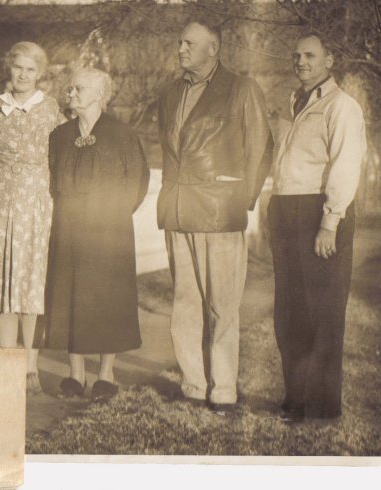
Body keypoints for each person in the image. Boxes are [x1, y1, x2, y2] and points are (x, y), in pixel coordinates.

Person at [156, 20, 272, 413]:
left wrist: (239, 196)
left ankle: (223, 388)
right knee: (185, 302)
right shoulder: (170, 93)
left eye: (189, 43)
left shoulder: (241, 89)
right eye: (180, 42)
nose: (181, 49)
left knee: (223, 306)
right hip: (178, 210)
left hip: (220, 211)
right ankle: (193, 383)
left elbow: (260, 148)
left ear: (214, 49)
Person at [268, 33, 366, 423]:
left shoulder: (342, 107)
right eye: (296, 55)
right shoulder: (294, 103)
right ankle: (295, 398)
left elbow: (345, 165)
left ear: (329, 60)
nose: (301, 62)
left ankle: (321, 407)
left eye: (310, 55)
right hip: (286, 210)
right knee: (289, 312)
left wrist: (330, 223)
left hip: (320, 211)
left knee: (321, 313)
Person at [44, 68, 150, 400]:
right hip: (69, 227)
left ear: (98, 95)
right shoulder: (59, 136)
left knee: (108, 298)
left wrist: (110, 215)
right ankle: (75, 374)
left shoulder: (122, 134)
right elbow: (52, 183)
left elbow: (137, 182)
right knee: (69, 295)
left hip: (109, 229)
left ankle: (106, 374)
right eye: (70, 88)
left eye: (79, 88)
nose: (71, 93)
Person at [0, 41, 62, 394]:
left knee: (30, 277)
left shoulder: (51, 110)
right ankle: (5, 358)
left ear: (39, 73)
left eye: (31, 69)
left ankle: (29, 363)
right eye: (18, 68)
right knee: (1, 277)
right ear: (9, 70)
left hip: (36, 201)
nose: (24, 75)